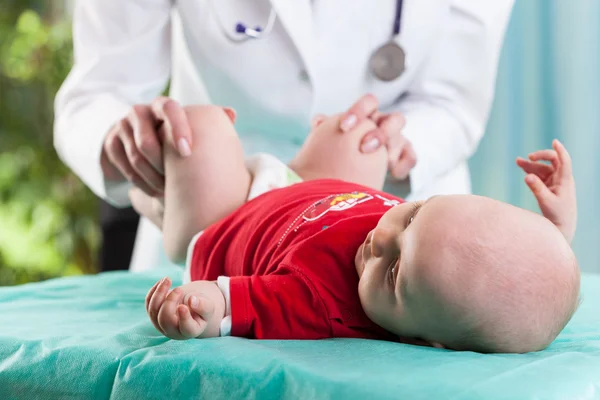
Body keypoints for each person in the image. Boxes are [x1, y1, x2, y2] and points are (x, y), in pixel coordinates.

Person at [54, 0, 515, 272]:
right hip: (200, 204)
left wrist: (398, 147)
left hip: (398, 232)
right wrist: (126, 143)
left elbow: (452, 101)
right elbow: (98, 92)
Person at [137, 105, 579, 353]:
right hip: (301, 190)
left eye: (393, 273)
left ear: (421, 339)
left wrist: (197, 309)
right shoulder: (439, 248)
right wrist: (557, 229)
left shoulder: (324, 304)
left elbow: (238, 303)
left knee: (200, 127)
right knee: (365, 140)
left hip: (228, 219)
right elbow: (528, 276)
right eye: (413, 213)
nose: (381, 239)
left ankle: (160, 206)